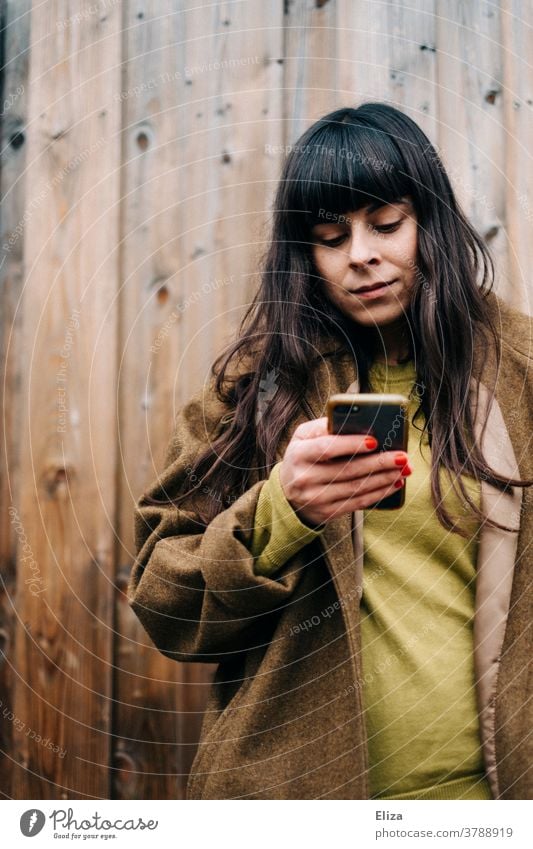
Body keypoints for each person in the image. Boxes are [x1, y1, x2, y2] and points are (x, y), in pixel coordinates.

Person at [128, 102, 533, 800]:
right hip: (293, 804)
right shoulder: (255, 389)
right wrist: (280, 510)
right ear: (304, 256)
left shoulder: (521, 369)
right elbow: (163, 601)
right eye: (329, 236)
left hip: (483, 806)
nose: (360, 256)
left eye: (385, 225)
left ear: (428, 222)